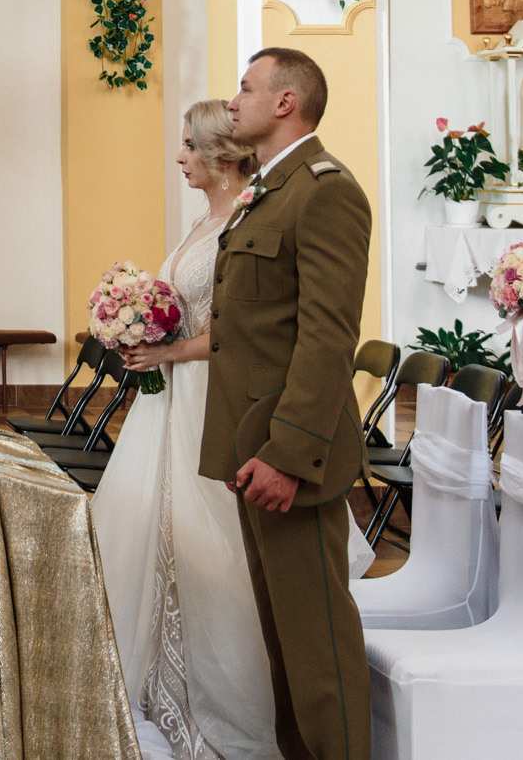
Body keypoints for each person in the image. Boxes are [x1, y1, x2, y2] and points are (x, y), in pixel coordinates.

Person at [94, 100, 373, 760]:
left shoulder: (310, 195)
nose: (180, 155)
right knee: (166, 540)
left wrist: (165, 351)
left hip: (233, 403)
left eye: (189, 145)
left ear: (220, 154)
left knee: (224, 557)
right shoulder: (232, 213)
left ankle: (242, 706)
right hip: (184, 399)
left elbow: (291, 332)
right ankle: (173, 683)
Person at [201, 49, 371, 760]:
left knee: (317, 641)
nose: (232, 101)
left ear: (286, 103)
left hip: (286, 452)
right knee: (282, 634)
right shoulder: (272, 188)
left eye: (246, 88)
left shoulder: (326, 190)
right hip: (254, 441)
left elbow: (328, 338)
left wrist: (288, 451)